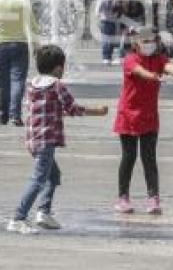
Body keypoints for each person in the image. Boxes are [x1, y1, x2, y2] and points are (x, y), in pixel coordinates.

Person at [7, 45, 108, 234]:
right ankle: (18, 217)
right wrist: (97, 111)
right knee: (38, 179)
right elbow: (72, 108)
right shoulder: (57, 85)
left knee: (53, 176)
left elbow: (46, 109)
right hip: (46, 141)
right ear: (59, 68)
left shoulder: (32, 84)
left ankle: (43, 212)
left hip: (32, 139)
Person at [114, 27, 173, 215]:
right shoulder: (130, 59)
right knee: (129, 157)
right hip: (128, 116)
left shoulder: (158, 59)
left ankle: (153, 198)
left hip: (149, 116)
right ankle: (123, 197)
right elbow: (139, 71)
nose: (150, 45)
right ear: (136, 44)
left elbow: (169, 67)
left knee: (149, 158)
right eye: (145, 41)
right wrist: (154, 76)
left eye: (153, 41)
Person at [0, 0, 38, 126]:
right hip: (20, 44)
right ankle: (14, 116)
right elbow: (32, 26)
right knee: (17, 80)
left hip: (0, 45)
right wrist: (36, 45)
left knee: (3, 82)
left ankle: (3, 115)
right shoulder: (22, 2)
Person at [98, 0, 124, 66]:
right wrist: (99, 15)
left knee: (111, 39)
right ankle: (106, 57)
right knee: (106, 39)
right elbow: (98, 8)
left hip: (112, 20)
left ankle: (109, 57)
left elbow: (118, 7)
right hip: (105, 20)